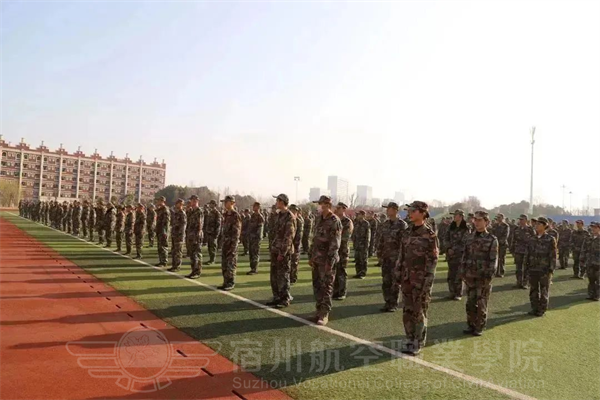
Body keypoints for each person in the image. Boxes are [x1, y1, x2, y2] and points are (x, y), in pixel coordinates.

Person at [398, 201, 438, 356]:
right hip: (407, 278)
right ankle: (409, 339)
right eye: (410, 211)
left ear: (422, 213)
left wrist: (427, 283)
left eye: (413, 211)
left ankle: (418, 342)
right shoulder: (407, 232)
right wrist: (398, 273)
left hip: (421, 280)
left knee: (419, 311)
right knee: (407, 310)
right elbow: (402, 255)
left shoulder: (429, 235)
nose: (410, 213)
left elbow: (432, 261)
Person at [462, 211, 498, 336]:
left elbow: (493, 260)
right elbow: (465, 256)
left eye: (479, 220)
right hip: (470, 276)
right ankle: (471, 325)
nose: (476, 222)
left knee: (481, 303)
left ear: (486, 222)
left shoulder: (492, 239)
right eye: (475, 220)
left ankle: (479, 327)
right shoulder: (469, 238)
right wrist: (463, 272)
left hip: (483, 277)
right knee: (470, 302)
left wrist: (489, 276)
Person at [308, 195, 341, 326]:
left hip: (327, 260)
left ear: (327, 205)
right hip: (317, 258)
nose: (319, 207)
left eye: (320, 204)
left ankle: (324, 313)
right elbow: (315, 239)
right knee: (317, 286)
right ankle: (318, 310)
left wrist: (330, 262)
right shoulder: (318, 219)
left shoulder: (334, 221)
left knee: (327, 287)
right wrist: (311, 256)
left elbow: (335, 244)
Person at [377, 202, 407, 311]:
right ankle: (387, 302)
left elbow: (404, 243)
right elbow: (381, 240)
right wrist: (379, 253)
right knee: (386, 281)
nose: (387, 210)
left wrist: (402, 259)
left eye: (389, 208)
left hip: (396, 258)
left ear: (395, 210)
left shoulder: (402, 225)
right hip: (386, 257)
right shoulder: (385, 224)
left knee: (395, 282)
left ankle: (393, 304)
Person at [266, 194, 296, 306]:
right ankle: (277, 297)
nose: (276, 202)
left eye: (277, 201)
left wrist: (282, 253)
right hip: (275, 249)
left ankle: (284, 299)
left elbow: (289, 237)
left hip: (283, 251)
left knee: (283, 275)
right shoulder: (278, 215)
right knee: (274, 276)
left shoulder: (289, 216)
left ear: (282, 202)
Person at [525, 217, 557, 317]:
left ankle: (541, 309)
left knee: (544, 290)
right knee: (533, 290)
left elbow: (553, 256)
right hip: (533, 268)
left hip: (544, 269)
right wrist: (526, 266)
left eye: (539, 224)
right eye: (536, 224)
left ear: (544, 226)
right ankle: (534, 308)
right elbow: (527, 254)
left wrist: (551, 269)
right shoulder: (532, 239)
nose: (536, 226)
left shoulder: (550, 239)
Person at [445, 209, 470, 300]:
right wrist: (449, 248)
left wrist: (454, 249)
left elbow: (465, 241)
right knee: (451, 274)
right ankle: (451, 292)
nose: (454, 217)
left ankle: (458, 293)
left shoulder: (466, 227)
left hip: (460, 254)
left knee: (459, 274)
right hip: (451, 254)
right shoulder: (451, 227)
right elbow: (446, 238)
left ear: (461, 216)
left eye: (455, 215)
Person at [333, 202, 353, 300]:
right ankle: (335, 291)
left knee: (341, 271)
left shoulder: (347, 222)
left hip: (342, 250)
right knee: (334, 270)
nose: (336, 209)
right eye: (336, 207)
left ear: (344, 209)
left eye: (339, 208)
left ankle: (342, 292)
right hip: (334, 249)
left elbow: (345, 237)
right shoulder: (334, 220)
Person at [512, 214, 535, 289]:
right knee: (518, 268)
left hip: (527, 251)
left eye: (522, 219)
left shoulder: (530, 229)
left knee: (526, 268)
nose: (520, 221)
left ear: (526, 220)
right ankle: (518, 282)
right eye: (520, 219)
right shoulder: (516, 229)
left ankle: (525, 283)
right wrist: (513, 250)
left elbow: (534, 240)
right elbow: (513, 240)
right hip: (518, 251)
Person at [185, 195, 204, 279]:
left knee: (197, 254)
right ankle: (193, 271)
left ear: (197, 201)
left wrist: (197, 236)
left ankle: (197, 272)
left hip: (196, 236)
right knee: (192, 255)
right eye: (191, 201)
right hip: (190, 235)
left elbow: (199, 225)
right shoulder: (191, 211)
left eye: (194, 201)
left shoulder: (199, 211)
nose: (192, 202)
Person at [580, 222, 600, 301]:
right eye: (592, 227)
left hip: (598, 264)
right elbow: (583, 250)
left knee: (599, 280)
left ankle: (597, 295)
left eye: (595, 227)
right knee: (591, 279)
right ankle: (591, 294)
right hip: (589, 262)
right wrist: (582, 260)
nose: (593, 229)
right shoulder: (588, 238)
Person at [168, 199, 187, 272]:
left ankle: (177, 266)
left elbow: (183, 226)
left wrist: (180, 235)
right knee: (174, 251)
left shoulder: (182, 213)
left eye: (178, 204)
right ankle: (174, 265)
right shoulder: (176, 213)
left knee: (178, 252)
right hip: (174, 235)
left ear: (181, 204)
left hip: (179, 236)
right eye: (176, 203)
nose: (176, 205)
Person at [247, 202, 265, 275]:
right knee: (251, 253)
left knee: (255, 253)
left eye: (254, 206)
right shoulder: (252, 216)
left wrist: (257, 239)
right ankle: (252, 268)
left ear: (258, 207)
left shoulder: (260, 217)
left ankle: (254, 269)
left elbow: (260, 230)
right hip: (251, 238)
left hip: (256, 239)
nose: (253, 207)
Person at [352, 210, 371, 279]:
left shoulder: (366, 224)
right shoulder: (356, 223)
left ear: (363, 215)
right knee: (357, 259)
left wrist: (367, 245)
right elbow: (354, 233)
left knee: (363, 260)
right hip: (357, 244)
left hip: (363, 245)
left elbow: (368, 235)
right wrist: (354, 242)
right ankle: (358, 272)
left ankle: (363, 273)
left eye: (359, 214)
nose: (358, 215)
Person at [491, 213, 510, 277]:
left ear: (502, 218)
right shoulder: (495, 225)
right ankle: (496, 272)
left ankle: (501, 272)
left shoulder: (506, 226)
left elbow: (505, 235)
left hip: (502, 245)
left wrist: (500, 242)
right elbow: (492, 233)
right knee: (495, 258)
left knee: (501, 258)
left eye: (499, 217)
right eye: (497, 217)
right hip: (495, 244)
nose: (498, 219)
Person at [290, 204, 304, 285]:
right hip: (289, 244)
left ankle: (293, 278)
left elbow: (299, 235)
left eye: (294, 211)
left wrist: (296, 246)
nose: (292, 212)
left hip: (295, 244)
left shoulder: (299, 221)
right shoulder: (289, 219)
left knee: (294, 262)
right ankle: (289, 277)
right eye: (291, 210)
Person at [204, 200, 222, 265]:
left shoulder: (217, 213)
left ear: (214, 205)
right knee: (209, 247)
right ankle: (210, 259)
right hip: (209, 232)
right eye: (210, 204)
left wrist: (216, 234)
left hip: (213, 233)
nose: (210, 205)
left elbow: (218, 224)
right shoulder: (210, 212)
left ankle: (212, 260)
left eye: (211, 204)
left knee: (213, 247)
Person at [155, 196, 171, 268]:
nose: (157, 202)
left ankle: (164, 262)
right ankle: (161, 261)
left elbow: (166, 222)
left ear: (162, 201)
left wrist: (164, 231)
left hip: (163, 231)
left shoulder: (165, 210)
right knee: (160, 247)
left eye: (159, 200)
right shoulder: (160, 209)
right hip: (159, 230)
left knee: (163, 246)